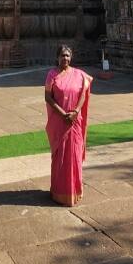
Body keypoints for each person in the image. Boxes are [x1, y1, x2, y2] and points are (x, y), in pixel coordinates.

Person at [44, 44, 93, 206]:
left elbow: (83, 95)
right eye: (62, 55)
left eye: (67, 55)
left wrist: (75, 112)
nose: (65, 58)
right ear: (57, 57)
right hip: (60, 121)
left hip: (74, 121)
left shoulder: (79, 75)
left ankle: (75, 191)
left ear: (71, 57)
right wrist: (62, 114)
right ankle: (59, 192)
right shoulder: (52, 75)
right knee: (60, 156)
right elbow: (48, 97)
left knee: (74, 155)